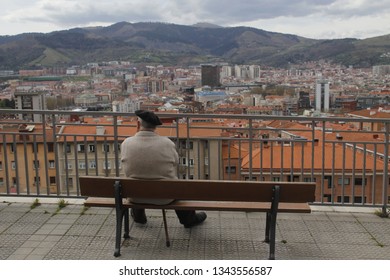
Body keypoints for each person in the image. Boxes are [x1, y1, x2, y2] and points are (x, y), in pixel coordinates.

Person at [120, 109, 207, 228]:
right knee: (179, 187)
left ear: (138, 124)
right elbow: (175, 162)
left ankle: (139, 217)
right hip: (164, 197)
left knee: (137, 179)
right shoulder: (167, 143)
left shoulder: (126, 143)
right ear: (155, 127)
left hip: (135, 196)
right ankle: (188, 220)